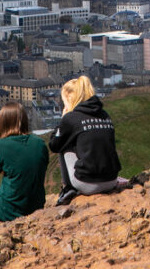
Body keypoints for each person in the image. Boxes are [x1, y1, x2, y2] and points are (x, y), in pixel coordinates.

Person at [48, 76, 123, 206]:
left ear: (70, 99)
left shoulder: (71, 118)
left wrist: (63, 119)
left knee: (63, 144)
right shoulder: (105, 115)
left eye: (64, 102)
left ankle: (69, 188)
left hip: (88, 184)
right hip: (111, 180)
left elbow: (54, 145)